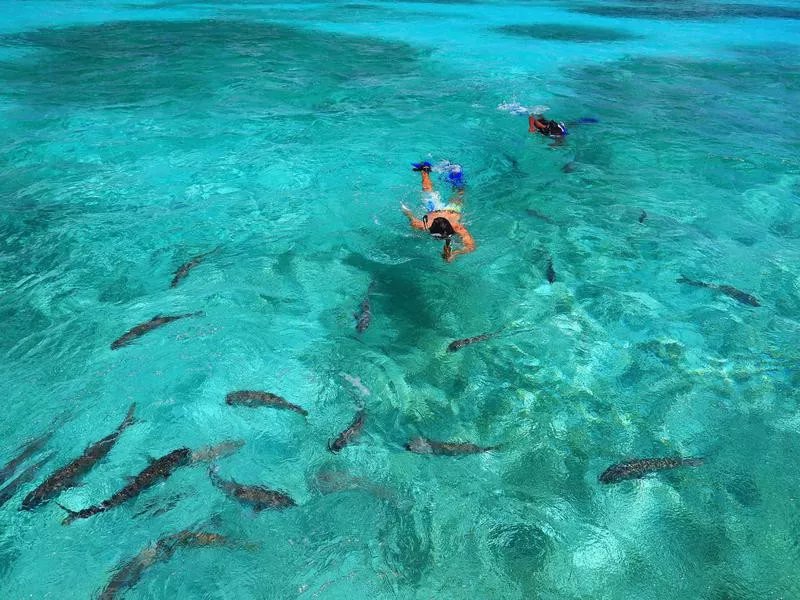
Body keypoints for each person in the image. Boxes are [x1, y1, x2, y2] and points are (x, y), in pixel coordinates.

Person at [401, 161, 475, 263]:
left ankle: (426, 170)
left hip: (440, 209)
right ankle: (426, 170)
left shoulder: (424, 226)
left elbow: (411, 217)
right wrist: (454, 254)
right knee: (454, 192)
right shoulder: (457, 227)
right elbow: (470, 246)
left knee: (456, 192)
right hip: (449, 210)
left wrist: (455, 253)